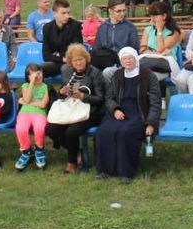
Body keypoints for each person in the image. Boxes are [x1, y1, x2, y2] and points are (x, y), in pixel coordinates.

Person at [96, 48, 161, 184]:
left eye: (130, 58)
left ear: (136, 59)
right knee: (104, 131)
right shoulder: (117, 75)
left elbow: (155, 102)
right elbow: (109, 97)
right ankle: (105, 170)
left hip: (139, 113)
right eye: (125, 59)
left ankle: (127, 172)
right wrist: (115, 110)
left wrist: (151, 123)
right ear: (121, 61)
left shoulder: (148, 75)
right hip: (120, 112)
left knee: (126, 132)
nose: (128, 61)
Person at [47, 45, 106, 173]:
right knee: (50, 128)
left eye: (80, 59)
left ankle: (71, 163)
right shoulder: (68, 72)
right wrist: (62, 92)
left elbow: (100, 98)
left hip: (91, 112)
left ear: (86, 59)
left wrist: (83, 96)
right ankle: (75, 151)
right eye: (75, 61)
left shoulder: (95, 73)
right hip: (72, 109)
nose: (78, 63)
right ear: (71, 63)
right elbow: (63, 96)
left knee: (71, 132)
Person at [14, 64, 51, 171]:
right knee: (21, 129)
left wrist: (28, 103)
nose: (38, 76)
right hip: (24, 113)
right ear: (28, 77)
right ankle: (26, 152)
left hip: (39, 113)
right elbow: (26, 98)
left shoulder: (45, 87)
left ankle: (39, 149)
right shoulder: (25, 85)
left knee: (40, 128)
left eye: (39, 73)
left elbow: (43, 104)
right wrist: (31, 83)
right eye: (34, 74)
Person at [91, 0, 138, 75]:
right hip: (104, 60)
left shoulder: (130, 28)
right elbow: (96, 48)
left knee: (107, 72)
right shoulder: (103, 28)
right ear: (110, 11)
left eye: (124, 10)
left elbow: (134, 50)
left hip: (122, 63)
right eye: (118, 11)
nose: (122, 14)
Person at [39, 0, 83, 78]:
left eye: (68, 13)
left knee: (65, 68)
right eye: (63, 13)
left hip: (72, 63)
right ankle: (46, 90)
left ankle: (67, 90)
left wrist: (58, 55)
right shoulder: (47, 28)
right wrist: (63, 58)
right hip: (57, 63)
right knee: (37, 69)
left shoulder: (75, 26)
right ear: (55, 14)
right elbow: (46, 55)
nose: (67, 16)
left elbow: (76, 51)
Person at [138, 2, 182, 78]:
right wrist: (154, 53)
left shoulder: (173, 33)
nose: (152, 19)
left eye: (155, 16)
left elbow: (160, 49)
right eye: (151, 16)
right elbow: (142, 49)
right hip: (148, 63)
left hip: (163, 66)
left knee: (148, 77)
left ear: (164, 16)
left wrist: (159, 30)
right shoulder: (148, 30)